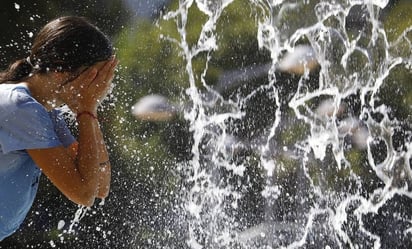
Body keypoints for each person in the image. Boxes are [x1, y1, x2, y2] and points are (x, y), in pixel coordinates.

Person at [0, 16, 118, 241]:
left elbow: (99, 187)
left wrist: (87, 110)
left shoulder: (45, 112)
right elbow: (82, 192)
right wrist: (87, 108)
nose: (103, 88)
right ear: (61, 70)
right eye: (95, 76)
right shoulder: (20, 107)